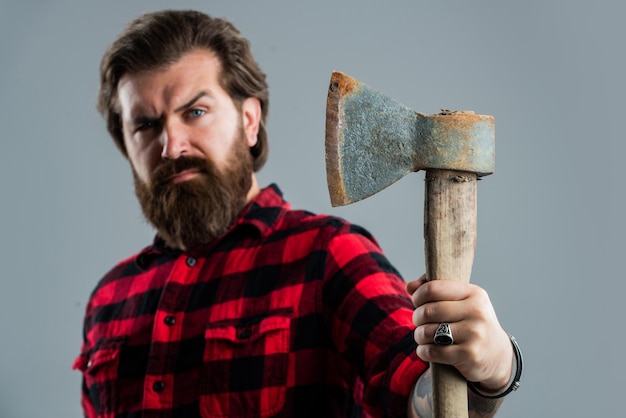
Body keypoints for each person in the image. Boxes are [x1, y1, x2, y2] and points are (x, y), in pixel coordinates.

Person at [73, 9, 521, 418]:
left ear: (249, 121)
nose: (171, 146)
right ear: (125, 143)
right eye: (146, 125)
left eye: (196, 111)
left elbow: (415, 393)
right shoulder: (108, 301)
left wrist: (494, 369)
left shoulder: (329, 255)